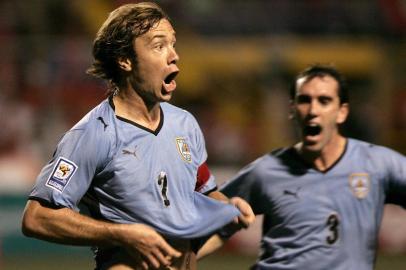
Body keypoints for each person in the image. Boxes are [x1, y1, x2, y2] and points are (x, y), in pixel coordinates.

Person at [21, 2, 254, 270]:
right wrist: (123, 233)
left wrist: (228, 208)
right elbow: (36, 217)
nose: (174, 55)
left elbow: (203, 190)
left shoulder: (185, 124)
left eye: (173, 44)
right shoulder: (93, 134)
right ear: (125, 60)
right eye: (159, 46)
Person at [198, 64, 406, 269]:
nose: (313, 110)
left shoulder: (378, 164)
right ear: (292, 110)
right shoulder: (266, 171)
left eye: (324, 101)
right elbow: (209, 223)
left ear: (342, 112)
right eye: (304, 100)